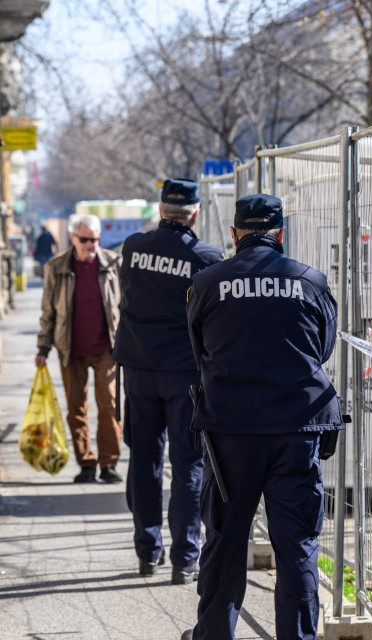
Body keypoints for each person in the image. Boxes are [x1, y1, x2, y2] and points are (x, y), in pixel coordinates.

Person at [183, 193, 342, 640]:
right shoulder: (311, 281)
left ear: (234, 235)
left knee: (225, 544)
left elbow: (200, 352)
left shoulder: (208, 283)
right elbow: (321, 349)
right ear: (281, 235)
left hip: (230, 433)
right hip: (297, 429)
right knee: (297, 550)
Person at [112, 178, 224, 583]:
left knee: (144, 459)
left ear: (161, 210)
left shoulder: (134, 247)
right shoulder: (208, 257)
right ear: (195, 213)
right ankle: (185, 558)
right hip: (185, 374)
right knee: (188, 463)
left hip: (139, 369)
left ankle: (147, 552)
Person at [36, 213, 122, 484]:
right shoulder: (56, 267)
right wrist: (43, 347)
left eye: (94, 239)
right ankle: (86, 463)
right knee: (76, 408)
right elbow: (47, 311)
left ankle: (108, 463)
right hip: (70, 348)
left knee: (109, 405)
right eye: (84, 239)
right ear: (72, 238)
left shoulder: (113, 263)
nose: (90, 245)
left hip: (107, 347)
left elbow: (126, 307)